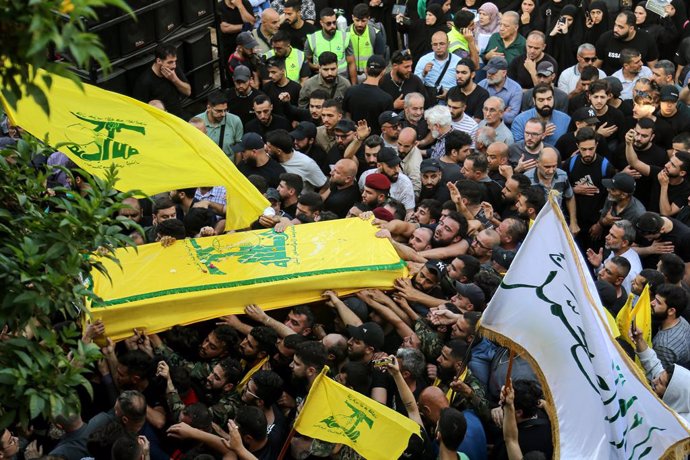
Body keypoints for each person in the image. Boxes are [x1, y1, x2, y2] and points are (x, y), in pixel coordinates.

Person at [133, 44, 190, 118]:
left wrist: (175, 79)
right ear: (159, 61)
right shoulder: (144, 82)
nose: (174, 65)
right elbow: (139, 111)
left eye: (175, 61)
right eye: (170, 62)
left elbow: (188, 91)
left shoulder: (173, 69)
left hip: (178, 117)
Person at [595, 9, 659, 75]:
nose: (615, 29)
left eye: (620, 27)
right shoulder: (605, 38)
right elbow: (596, 66)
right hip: (610, 81)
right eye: (615, 25)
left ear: (631, 28)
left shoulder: (647, 39)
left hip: (639, 81)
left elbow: (653, 68)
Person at [342, 55, 394, 135]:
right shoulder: (386, 99)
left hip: (354, 139)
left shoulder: (350, 91)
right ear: (383, 71)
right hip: (375, 142)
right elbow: (388, 125)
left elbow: (346, 116)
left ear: (366, 70)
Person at [304, 7, 356, 83]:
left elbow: (351, 63)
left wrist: (354, 85)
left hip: (341, 80)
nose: (332, 26)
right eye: (329, 23)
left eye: (334, 22)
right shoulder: (312, 39)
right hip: (321, 81)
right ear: (321, 23)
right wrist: (315, 67)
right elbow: (306, 62)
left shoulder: (345, 37)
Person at [196, 91, 243, 162]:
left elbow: (238, 149)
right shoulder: (197, 122)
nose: (223, 114)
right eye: (219, 111)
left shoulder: (235, 121)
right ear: (209, 108)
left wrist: (237, 168)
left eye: (225, 110)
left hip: (228, 164)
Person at [414, 31, 462, 98]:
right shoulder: (424, 60)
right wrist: (423, 74)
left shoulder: (458, 61)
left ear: (448, 44)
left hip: (452, 99)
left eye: (442, 44)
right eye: (435, 44)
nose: (438, 47)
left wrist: (450, 94)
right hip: (431, 100)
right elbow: (415, 85)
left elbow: (464, 84)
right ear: (431, 46)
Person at [478, 57, 522, 126]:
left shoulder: (515, 89)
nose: (489, 75)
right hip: (483, 125)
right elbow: (477, 111)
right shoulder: (482, 84)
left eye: (493, 73)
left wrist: (488, 113)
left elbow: (511, 117)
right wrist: (501, 113)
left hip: (505, 127)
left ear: (504, 73)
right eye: (488, 71)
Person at [348, 4, 387, 80]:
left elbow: (380, 60)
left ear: (368, 19)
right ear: (352, 17)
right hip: (351, 74)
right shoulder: (346, 33)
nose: (360, 24)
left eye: (363, 21)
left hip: (370, 76)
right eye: (357, 20)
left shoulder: (375, 34)